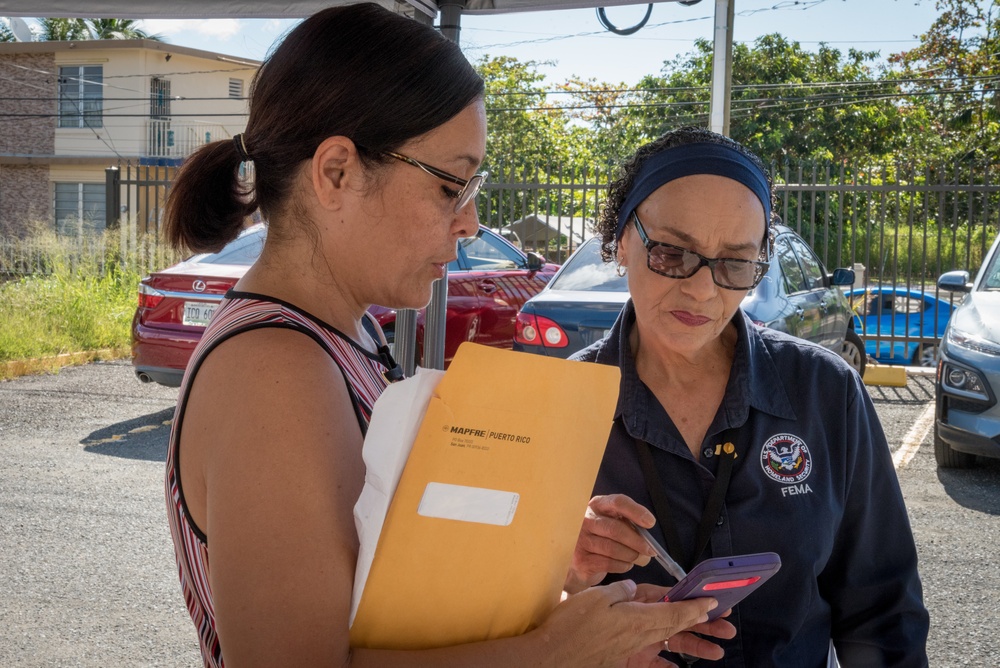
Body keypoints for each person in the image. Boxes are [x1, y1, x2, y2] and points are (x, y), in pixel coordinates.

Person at [162, 6, 734, 667]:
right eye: (451, 185)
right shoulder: (272, 369)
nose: (469, 222)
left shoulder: (338, 337)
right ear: (337, 173)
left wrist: (539, 562)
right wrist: (553, 654)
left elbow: (385, 604)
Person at [565, 127, 930, 667]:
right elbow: (507, 618)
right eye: (671, 253)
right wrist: (564, 575)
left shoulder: (823, 393)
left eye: (735, 264)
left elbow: (882, 608)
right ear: (622, 240)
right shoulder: (560, 404)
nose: (702, 290)